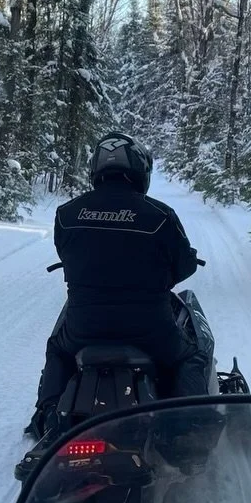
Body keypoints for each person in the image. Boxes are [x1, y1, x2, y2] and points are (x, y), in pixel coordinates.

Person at [25, 132, 215, 440]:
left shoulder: (66, 214)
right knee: (190, 355)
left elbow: (66, 253)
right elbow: (181, 265)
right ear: (140, 170)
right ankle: (189, 428)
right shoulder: (161, 216)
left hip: (83, 328)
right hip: (151, 330)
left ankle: (47, 418)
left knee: (57, 349)